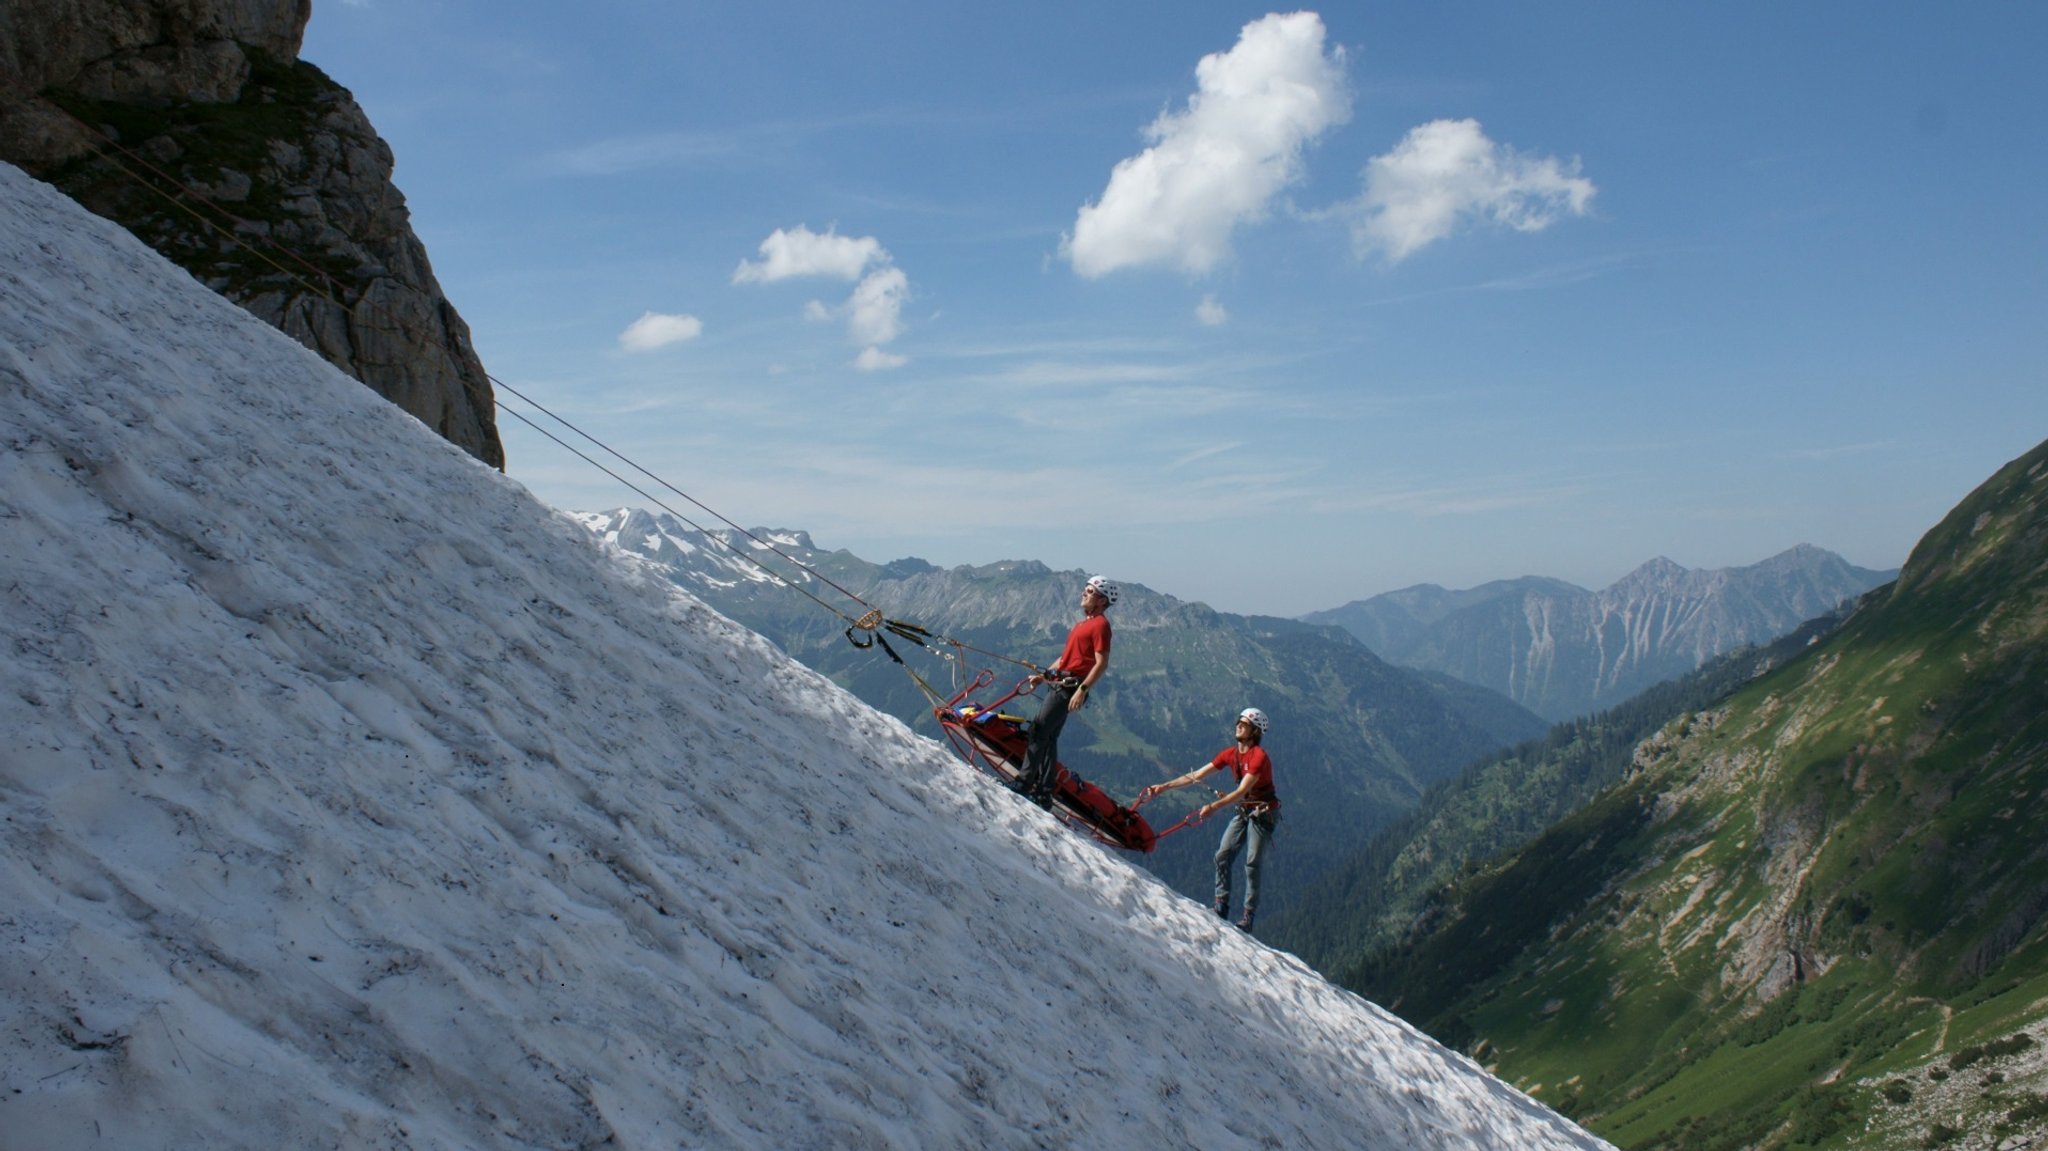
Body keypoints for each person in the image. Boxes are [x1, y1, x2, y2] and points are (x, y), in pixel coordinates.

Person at [1138, 707, 1280, 933]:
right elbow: (1197, 776)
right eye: (1239, 722)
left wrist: (1213, 807)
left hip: (1263, 814)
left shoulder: (1258, 757)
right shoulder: (1230, 754)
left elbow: (1242, 791)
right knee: (1222, 854)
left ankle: (1248, 916)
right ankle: (1221, 904)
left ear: (1254, 732)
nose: (1238, 725)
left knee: (1252, 863)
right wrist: (1163, 787)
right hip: (1244, 810)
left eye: (1244, 724)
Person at [1011, 575, 1116, 807]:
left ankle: (1024, 783)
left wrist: (1082, 690)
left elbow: (1101, 663)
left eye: (1089, 591)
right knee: (1048, 738)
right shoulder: (1083, 624)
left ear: (1101, 600)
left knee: (1038, 731)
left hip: (1069, 688)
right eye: (1085, 590)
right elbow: (1065, 658)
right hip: (1062, 683)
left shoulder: (1100, 625)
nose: (1083, 593)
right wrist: (1044, 675)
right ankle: (1044, 792)